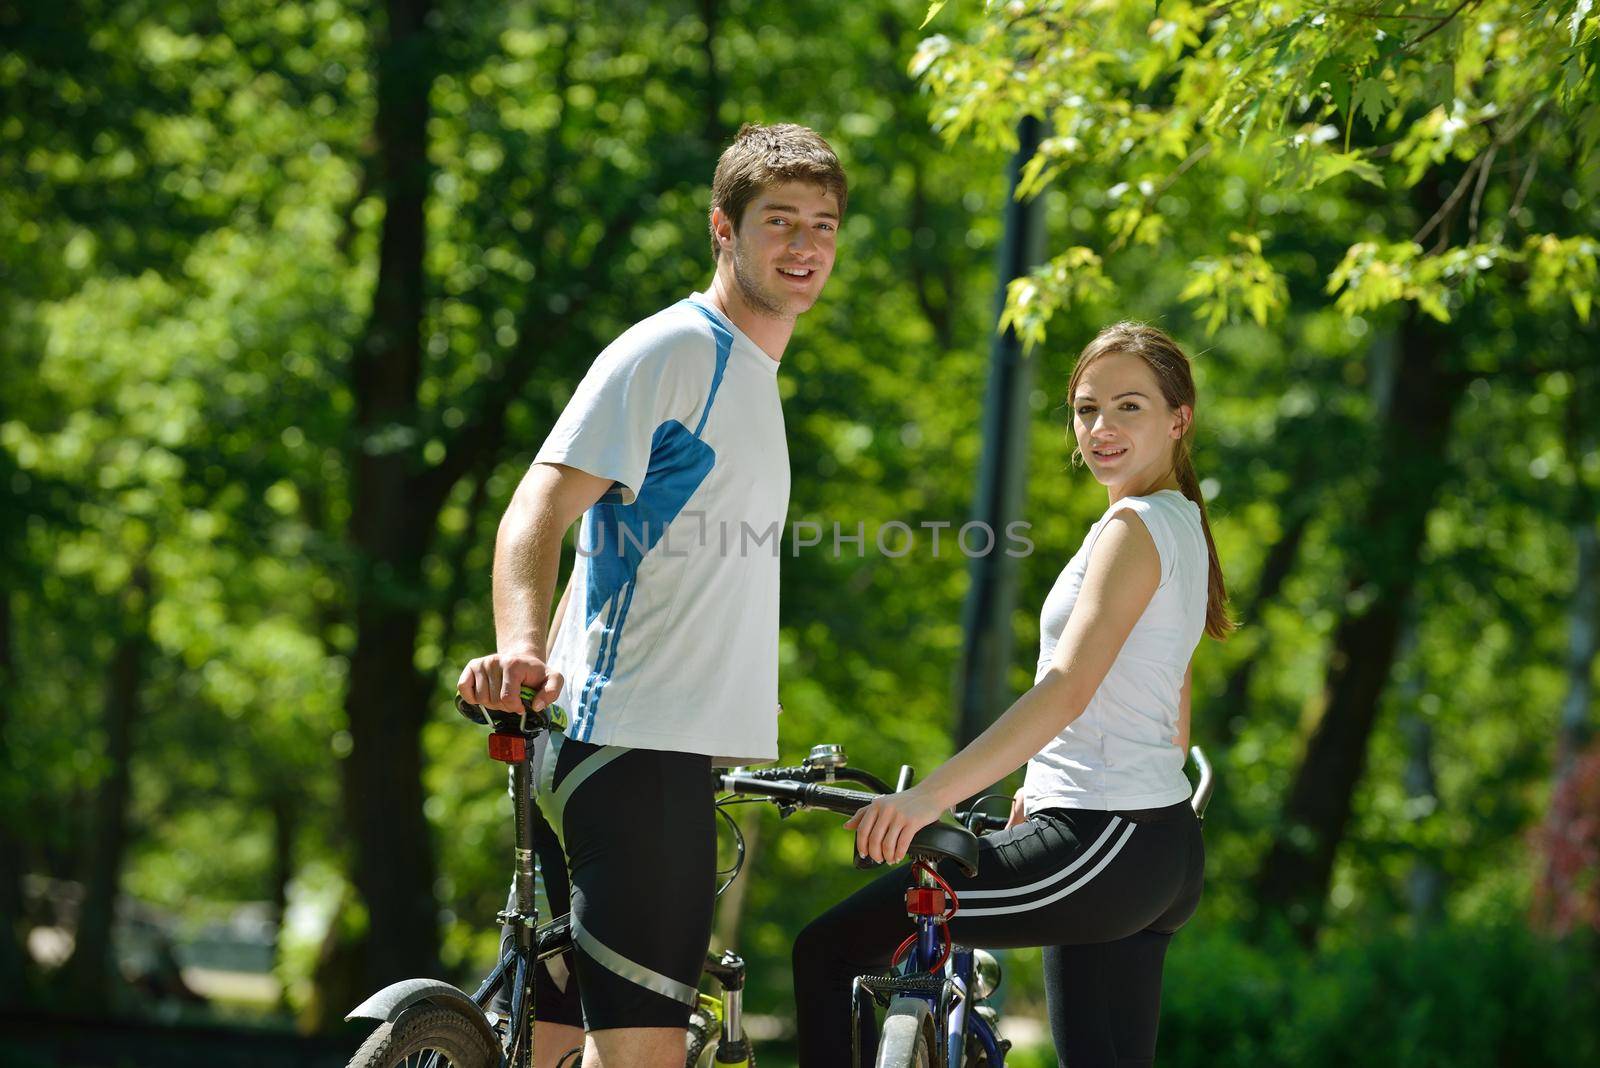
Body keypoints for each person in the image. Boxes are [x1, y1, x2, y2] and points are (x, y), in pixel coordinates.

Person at [457, 123, 847, 1068]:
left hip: (645, 750)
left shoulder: (752, 374)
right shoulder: (679, 351)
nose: (803, 247)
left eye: (824, 226)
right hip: (635, 747)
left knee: (555, 1047)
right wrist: (522, 646)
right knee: (640, 1057)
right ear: (724, 229)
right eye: (778, 222)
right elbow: (538, 508)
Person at [792, 322, 1232, 1068]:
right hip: (1148, 844)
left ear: (1178, 418)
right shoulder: (1180, 522)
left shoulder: (1133, 528)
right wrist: (1041, 781)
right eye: (1087, 409)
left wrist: (924, 799)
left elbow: (1065, 689)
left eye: (1129, 407)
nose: (1102, 428)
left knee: (829, 950)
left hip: (1104, 839)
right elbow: (1170, 698)